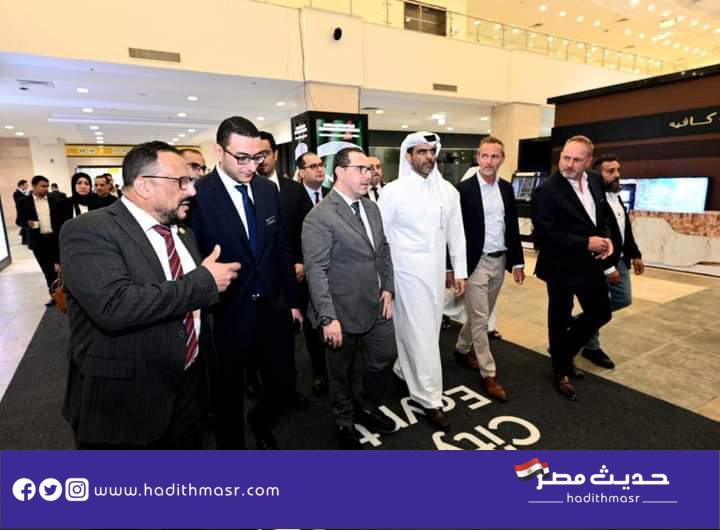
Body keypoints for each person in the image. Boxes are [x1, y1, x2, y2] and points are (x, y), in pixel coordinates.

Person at [59, 141, 240, 448]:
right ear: (144, 185)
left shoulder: (182, 231)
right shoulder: (88, 229)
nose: (192, 190)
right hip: (125, 403)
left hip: (188, 389)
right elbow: (114, 306)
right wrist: (204, 283)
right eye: (182, 181)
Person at [188, 116, 304, 450]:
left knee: (280, 381)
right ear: (219, 152)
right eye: (241, 158)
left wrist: (293, 302)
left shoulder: (267, 190)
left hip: (272, 306)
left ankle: (261, 420)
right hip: (225, 312)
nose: (251, 166)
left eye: (257, 157)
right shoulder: (197, 195)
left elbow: (281, 248)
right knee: (227, 393)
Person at [302, 147, 397, 448]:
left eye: (370, 169)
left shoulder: (371, 208)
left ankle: (366, 405)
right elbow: (316, 271)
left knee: (385, 356)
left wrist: (388, 288)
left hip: (376, 302)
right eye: (361, 169)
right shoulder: (319, 217)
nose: (369, 175)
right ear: (340, 172)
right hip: (340, 311)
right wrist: (327, 317)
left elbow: (382, 250)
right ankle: (344, 421)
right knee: (340, 373)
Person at [379, 131, 467, 431]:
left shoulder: (448, 191)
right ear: (408, 156)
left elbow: (457, 233)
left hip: (435, 274)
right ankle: (429, 398)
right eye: (421, 151)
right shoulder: (392, 192)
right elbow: (381, 238)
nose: (429, 157)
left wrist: (460, 271)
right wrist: (384, 280)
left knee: (425, 331)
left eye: (432, 151)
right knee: (422, 335)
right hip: (405, 275)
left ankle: (403, 369)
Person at [531, 135, 613, 401]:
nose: (568, 164)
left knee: (601, 312)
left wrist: (606, 239)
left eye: (577, 159)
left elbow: (601, 217)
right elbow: (543, 236)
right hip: (560, 265)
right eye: (565, 157)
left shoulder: (596, 180)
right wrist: (586, 242)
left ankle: (561, 353)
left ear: (589, 161)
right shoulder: (547, 190)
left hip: (590, 265)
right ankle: (561, 370)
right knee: (559, 317)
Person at [453, 136, 525, 402]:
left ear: (502, 159)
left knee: (479, 314)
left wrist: (517, 261)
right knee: (482, 318)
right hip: (476, 262)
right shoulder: (463, 190)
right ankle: (489, 373)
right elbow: (455, 232)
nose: (489, 161)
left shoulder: (506, 188)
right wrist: (455, 268)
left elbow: (512, 226)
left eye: (494, 156)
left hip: (500, 260)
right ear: (478, 157)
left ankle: (461, 348)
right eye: (484, 156)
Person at [257, 134, 329, 396]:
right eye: (255, 155)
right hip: (262, 278)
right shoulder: (246, 188)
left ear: (276, 154)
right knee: (264, 335)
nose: (260, 159)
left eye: (265, 153)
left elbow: (305, 231)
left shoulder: (293, 190)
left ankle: (306, 380)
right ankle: (259, 384)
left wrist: (301, 261)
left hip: (298, 274)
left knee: (305, 327)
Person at [581, 154, 644, 369]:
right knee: (596, 304)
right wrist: (607, 267)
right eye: (610, 171)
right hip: (600, 261)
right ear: (597, 175)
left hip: (620, 259)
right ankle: (591, 347)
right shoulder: (592, 200)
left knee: (622, 299)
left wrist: (635, 254)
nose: (617, 175)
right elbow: (596, 235)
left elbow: (625, 230)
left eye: (618, 170)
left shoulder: (616, 197)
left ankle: (578, 322)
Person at [16, 175, 62, 306]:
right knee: (47, 270)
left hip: (54, 239)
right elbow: (19, 220)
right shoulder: (23, 202)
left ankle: (66, 293)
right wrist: (28, 223)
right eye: (43, 186)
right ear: (34, 186)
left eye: (47, 186)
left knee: (59, 268)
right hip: (38, 242)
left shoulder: (54, 200)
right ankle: (55, 295)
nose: (46, 189)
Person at [13, 179, 30, 245]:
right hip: (21, 212)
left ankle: (25, 240)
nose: (27, 186)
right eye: (26, 185)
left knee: (25, 226)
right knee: (25, 225)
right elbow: (19, 202)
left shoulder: (25, 192)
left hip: (27, 212)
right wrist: (27, 196)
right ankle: (25, 241)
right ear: (21, 185)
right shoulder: (16, 193)